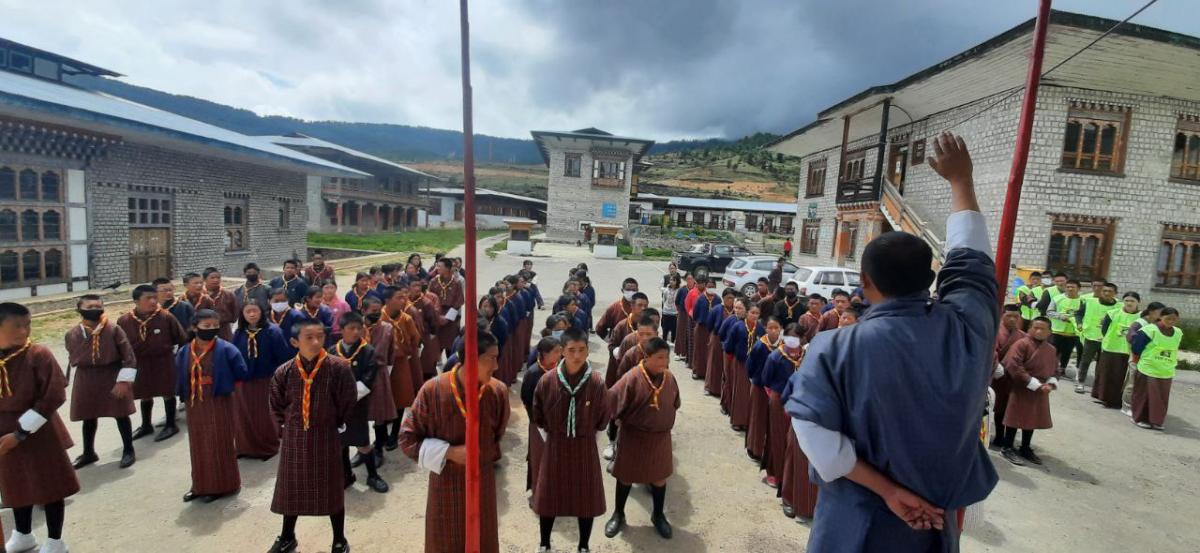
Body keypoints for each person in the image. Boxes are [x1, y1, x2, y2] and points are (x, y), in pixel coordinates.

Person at [786, 133, 998, 548]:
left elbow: (820, 443)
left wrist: (887, 491)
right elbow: (972, 263)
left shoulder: (833, 349)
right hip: (933, 526)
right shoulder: (969, 328)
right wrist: (961, 181)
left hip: (854, 525)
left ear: (865, 283)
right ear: (931, 278)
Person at [400, 333, 509, 553]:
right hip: (445, 483)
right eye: (491, 358)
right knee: (444, 542)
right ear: (471, 357)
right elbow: (407, 439)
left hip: (483, 481)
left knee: (483, 538)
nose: (496, 366)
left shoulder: (497, 391)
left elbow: (496, 435)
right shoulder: (432, 390)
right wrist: (449, 452)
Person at [268, 318, 358, 553]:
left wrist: (335, 424)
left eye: (320, 336)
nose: (316, 342)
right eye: (309, 337)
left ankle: (339, 539)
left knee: (331, 489)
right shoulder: (284, 371)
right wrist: (287, 428)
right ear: (294, 342)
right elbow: (276, 405)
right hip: (295, 438)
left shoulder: (339, 368)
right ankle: (287, 536)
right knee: (292, 489)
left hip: (326, 436)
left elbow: (348, 400)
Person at [0, 302, 80, 553]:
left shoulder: (38, 354)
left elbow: (53, 395)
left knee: (50, 485)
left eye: (28, 325)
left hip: (39, 430)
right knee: (16, 484)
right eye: (17, 326)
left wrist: (20, 433)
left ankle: (55, 541)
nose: (24, 331)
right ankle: (23, 533)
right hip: (3, 435)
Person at [531, 327, 610, 553]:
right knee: (549, 498)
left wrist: (588, 438)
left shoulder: (596, 383)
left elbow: (603, 419)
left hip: (585, 447)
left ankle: (583, 545)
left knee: (586, 500)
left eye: (582, 350)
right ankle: (544, 543)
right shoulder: (547, 381)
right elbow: (538, 415)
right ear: (562, 351)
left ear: (588, 351)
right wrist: (553, 439)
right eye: (571, 350)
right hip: (555, 445)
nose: (577, 355)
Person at [604, 336, 679, 540]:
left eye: (666, 357)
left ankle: (658, 515)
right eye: (659, 357)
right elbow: (611, 402)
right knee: (626, 476)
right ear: (646, 357)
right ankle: (618, 514)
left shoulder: (669, 378)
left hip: (660, 439)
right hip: (634, 437)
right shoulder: (632, 377)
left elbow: (675, 402)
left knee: (659, 477)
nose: (664, 362)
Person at [176, 309, 247, 502]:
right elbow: (180, 375)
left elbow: (241, 373)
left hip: (218, 402)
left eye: (215, 326)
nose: (212, 329)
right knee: (198, 444)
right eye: (206, 326)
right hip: (195, 403)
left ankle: (223, 486)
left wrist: (223, 384)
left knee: (218, 442)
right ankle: (200, 486)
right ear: (194, 327)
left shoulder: (226, 349)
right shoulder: (185, 351)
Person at [65, 294, 138, 469]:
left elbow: (129, 357)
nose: (94, 310)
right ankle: (89, 452)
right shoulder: (72, 334)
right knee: (88, 416)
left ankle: (129, 450)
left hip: (111, 374)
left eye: (98, 306)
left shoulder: (113, 329)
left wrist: (123, 382)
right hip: (85, 378)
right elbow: (72, 355)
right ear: (79, 310)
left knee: (120, 414)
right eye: (89, 307)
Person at [118, 284, 187, 443]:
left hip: (163, 360)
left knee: (167, 391)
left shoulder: (166, 317)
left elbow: (181, 338)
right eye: (148, 298)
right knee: (144, 393)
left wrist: (177, 358)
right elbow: (120, 344)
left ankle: (171, 424)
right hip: (140, 362)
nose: (153, 301)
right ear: (136, 301)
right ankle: (146, 425)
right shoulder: (125, 320)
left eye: (155, 298)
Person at [330, 312, 388, 493]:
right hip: (337, 408)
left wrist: (346, 397)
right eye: (351, 328)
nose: (356, 332)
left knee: (363, 443)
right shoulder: (332, 351)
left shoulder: (368, 351)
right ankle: (346, 475)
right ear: (341, 330)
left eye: (359, 328)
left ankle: (373, 476)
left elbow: (368, 380)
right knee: (340, 443)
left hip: (357, 405)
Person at [763, 323, 812, 517]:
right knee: (779, 438)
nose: (793, 340)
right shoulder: (776, 356)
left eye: (797, 337)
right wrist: (774, 398)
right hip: (779, 400)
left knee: (793, 443)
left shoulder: (806, 356)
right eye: (790, 336)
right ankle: (777, 474)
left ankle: (790, 477)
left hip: (799, 402)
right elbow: (766, 378)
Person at [998, 317, 1058, 466]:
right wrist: (1032, 382)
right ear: (1030, 328)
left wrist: (1051, 384)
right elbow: (1014, 365)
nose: (1038, 331)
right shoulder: (1021, 344)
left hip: (1041, 389)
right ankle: (1007, 447)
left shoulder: (1051, 350)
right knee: (1014, 418)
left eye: (1042, 329)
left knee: (1032, 419)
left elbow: (1056, 370)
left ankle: (1025, 447)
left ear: (1049, 332)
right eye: (1035, 327)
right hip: (1021, 386)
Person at [232, 302, 288, 460]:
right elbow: (233, 356)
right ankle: (245, 447)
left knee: (264, 415)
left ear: (261, 312)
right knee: (243, 415)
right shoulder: (239, 333)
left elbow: (283, 357)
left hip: (266, 380)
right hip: (244, 382)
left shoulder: (273, 332)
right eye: (247, 311)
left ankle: (267, 447)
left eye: (254, 311)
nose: (251, 314)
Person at [380, 287, 422, 450]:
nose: (403, 301)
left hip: (401, 362)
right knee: (382, 397)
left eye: (404, 297)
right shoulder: (380, 318)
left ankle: (394, 433)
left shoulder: (406, 319)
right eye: (399, 297)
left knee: (400, 397)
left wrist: (409, 356)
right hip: (383, 364)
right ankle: (381, 434)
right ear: (387, 301)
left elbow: (415, 339)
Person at [1130, 307, 1182, 431]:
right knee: (1144, 395)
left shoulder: (1178, 332)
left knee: (1161, 398)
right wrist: (1136, 361)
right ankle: (1139, 418)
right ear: (1161, 317)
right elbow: (1136, 347)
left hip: (1166, 371)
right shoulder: (1149, 330)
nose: (1171, 321)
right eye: (1168, 319)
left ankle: (1156, 421)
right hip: (1148, 368)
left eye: (1174, 319)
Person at [522, 337, 563, 496]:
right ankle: (538, 493)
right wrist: (538, 420)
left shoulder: (561, 369)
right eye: (556, 352)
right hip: (539, 424)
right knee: (539, 458)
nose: (560, 355)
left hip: (558, 423)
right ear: (544, 354)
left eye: (560, 351)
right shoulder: (533, 374)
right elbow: (526, 399)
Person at [359, 296, 397, 466]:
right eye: (373, 311)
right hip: (360, 375)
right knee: (360, 415)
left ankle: (379, 448)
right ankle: (362, 450)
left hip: (379, 374)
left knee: (379, 415)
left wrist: (385, 374)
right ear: (363, 311)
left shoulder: (387, 328)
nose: (377, 314)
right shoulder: (356, 328)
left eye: (379, 310)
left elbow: (391, 354)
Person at [1092, 292, 1141, 408]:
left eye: (1132, 301)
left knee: (1121, 377)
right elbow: (1104, 330)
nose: (1129, 303)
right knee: (1106, 374)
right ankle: (1103, 397)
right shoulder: (1112, 313)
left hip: (1128, 351)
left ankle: (1117, 401)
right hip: (1111, 348)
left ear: (1138, 302)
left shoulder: (1141, 317)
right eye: (1126, 300)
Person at [746, 316, 782, 467]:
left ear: (781, 329)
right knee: (758, 417)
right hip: (760, 387)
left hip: (775, 389)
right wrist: (755, 379)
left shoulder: (783, 347)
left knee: (772, 420)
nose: (773, 331)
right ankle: (755, 448)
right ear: (765, 329)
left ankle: (769, 452)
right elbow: (750, 366)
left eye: (776, 328)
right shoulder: (760, 345)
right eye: (770, 328)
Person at [724, 299, 764, 431]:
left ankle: (747, 422)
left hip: (755, 365)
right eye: (752, 312)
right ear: (747, 313)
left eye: (757, 313)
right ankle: (737, 420)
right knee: (740, 391)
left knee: (750, 393)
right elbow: (729, 345)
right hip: (740, 363)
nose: (754, 315)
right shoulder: (738, 326)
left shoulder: (760, 329)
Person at [990, 305, 1026, 450]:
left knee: (1010, 407)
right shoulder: (994, 332)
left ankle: (1007, 439)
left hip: (1013, 377)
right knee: (996, 406)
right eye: (1009, 316)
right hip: (997, 375)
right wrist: (996, 365)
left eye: (1016, 317)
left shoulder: (1022, 335)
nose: (1012, 319)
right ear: (1002, 316)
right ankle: (998, 436)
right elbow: (991, 350)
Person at [1074, 282, 1118, 393]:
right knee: (1085, 361)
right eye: (1104, 291)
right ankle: (1080, 383)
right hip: (1091, 336)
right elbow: (1078, 313)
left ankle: (1097, 387)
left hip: (1108, 339)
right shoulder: (1090, 302)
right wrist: (1079, 323)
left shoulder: (1119, 306)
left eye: (1110, 291)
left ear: (1115, 293)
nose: (1107, 293)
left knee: (1102, 364)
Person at [1121, 302, 1164, 416]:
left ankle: (1137, 406)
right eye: (1160, 312)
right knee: (1132, 383)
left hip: (1149, 360)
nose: (1162, 315)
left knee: (1142, 385)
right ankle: (1126, 406)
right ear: (1151, 312)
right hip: (1136, 357)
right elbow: (1130, 338)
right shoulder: (1139, 323)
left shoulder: (1157, 324)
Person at [606, 292, 649, 388]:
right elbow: (611, 346)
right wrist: (620, 352)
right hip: (622, 368)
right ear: (632, 306)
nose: (643, 308)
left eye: (645, 306)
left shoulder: (649, 327)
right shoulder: (621, 326)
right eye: (640, 305)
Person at [704, 288, 737, 400]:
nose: (730, 300)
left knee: (726, 365)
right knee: (714, 362)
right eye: (728, 298)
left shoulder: (736, 311)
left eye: (732, 298)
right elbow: (709, 324)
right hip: (717, 339)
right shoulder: (717, 309)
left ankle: (723, 390)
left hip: (730, 341)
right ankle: (709, 387)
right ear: (723, 298)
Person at [429, 258, 465, 358]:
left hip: (451, 320)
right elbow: (429, 300)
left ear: (448, 268)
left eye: (440, 266)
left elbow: (459, 301)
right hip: (437, 317)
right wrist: (438, 316)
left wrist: (447, 318)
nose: (437, 268)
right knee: (435, 349)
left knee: (451, 348)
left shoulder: (456, 283)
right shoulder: (434, 281)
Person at [1047, 279, 1083, 378]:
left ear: (1079, 288)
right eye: (1068, 287)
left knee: (1067, 352)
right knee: (1053, 352)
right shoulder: (1057, 298)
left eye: (1073, 287)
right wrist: (1060, 316)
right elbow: (1049, 312)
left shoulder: (1083, 301)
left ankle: (1062, 370)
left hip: (1073, 333)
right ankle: (1049, 369)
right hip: (1056, 331)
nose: (1070, 289)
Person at [203, 267, 241, 341]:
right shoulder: (200, 295)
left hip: (224, 331)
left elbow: (235, 313)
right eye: (212, 278)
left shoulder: (228, 294)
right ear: (204, 279)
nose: (216, 280)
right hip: (204, 331)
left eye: (218, 278)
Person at [689, 278, 716, 380]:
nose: (711, 288)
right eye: (709, 286)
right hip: (701, 328)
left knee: (709, 352)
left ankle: (707, 373)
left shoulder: (717, 299)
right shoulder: (700, 299)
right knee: (699, 350)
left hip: (712, 330)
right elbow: (695, 314)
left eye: (713, 287)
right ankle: (696, 371)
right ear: (706, 287)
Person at [268, 287, 304, 358]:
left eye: (283, 301)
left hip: (292, 356)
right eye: (276, 301)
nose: (279, 303)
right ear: (269, 301)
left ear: (288, 301)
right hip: (271, 356)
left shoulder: (297, 316)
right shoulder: (266, 317)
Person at [322, 280, 353, 344]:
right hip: (322, 335)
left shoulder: (343, 304)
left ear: (336, 288)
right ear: (321, 289)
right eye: (326, 288)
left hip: (338, 335)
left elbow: (349, 320)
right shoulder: (318, 304)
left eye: (332, 288)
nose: (329, 290)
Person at [673, 274, 694, 361]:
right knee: (681, 332)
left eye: (691, 279)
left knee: (690, 333)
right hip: (683, 313)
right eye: (688, 279)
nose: (689, 280)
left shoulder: (696, 289)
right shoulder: (682, 290)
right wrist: (679, 311)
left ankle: (688, 354)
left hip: (693, 313)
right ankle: (680, 352)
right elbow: (677, 301)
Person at [661, 273, 680, 345]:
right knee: (665, 328)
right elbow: (664, 299)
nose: (671, 281)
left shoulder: (679, 290)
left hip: (674, 313)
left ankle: (672, 341)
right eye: (671, 280)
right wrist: (666, 307)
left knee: (674, 329)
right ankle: (664, 342)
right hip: (666, 312)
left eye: (673, 280)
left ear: (677, 281)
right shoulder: (666, 290)